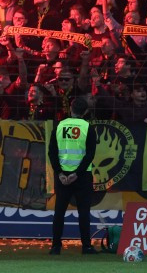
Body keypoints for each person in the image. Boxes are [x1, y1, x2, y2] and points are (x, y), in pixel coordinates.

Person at [48, 96, 98, 255]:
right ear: (86, 111)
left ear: (71, 109)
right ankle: (86, 246)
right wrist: (77, 173)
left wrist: (60, 173)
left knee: (59, 211)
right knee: (84, 212)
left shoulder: (59, 126)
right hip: (82, 176)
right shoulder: (88, 128)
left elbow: (52, 152)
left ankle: (55, 246)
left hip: (63, 175)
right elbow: (90, 154)